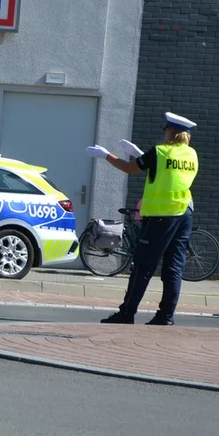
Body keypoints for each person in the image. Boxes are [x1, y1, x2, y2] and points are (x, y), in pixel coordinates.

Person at [85, 111, 199, 326]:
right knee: (174, 267)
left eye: (166, 130)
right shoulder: (191, 154)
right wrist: (138, 153)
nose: (164, 133)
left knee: (143, 266)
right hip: (184, 213)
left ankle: (127, 313)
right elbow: (166, 174)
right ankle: (166, 316)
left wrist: (106, 155)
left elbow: (130, 168)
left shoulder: (160, 151)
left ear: (172, 132)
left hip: (161, 216)